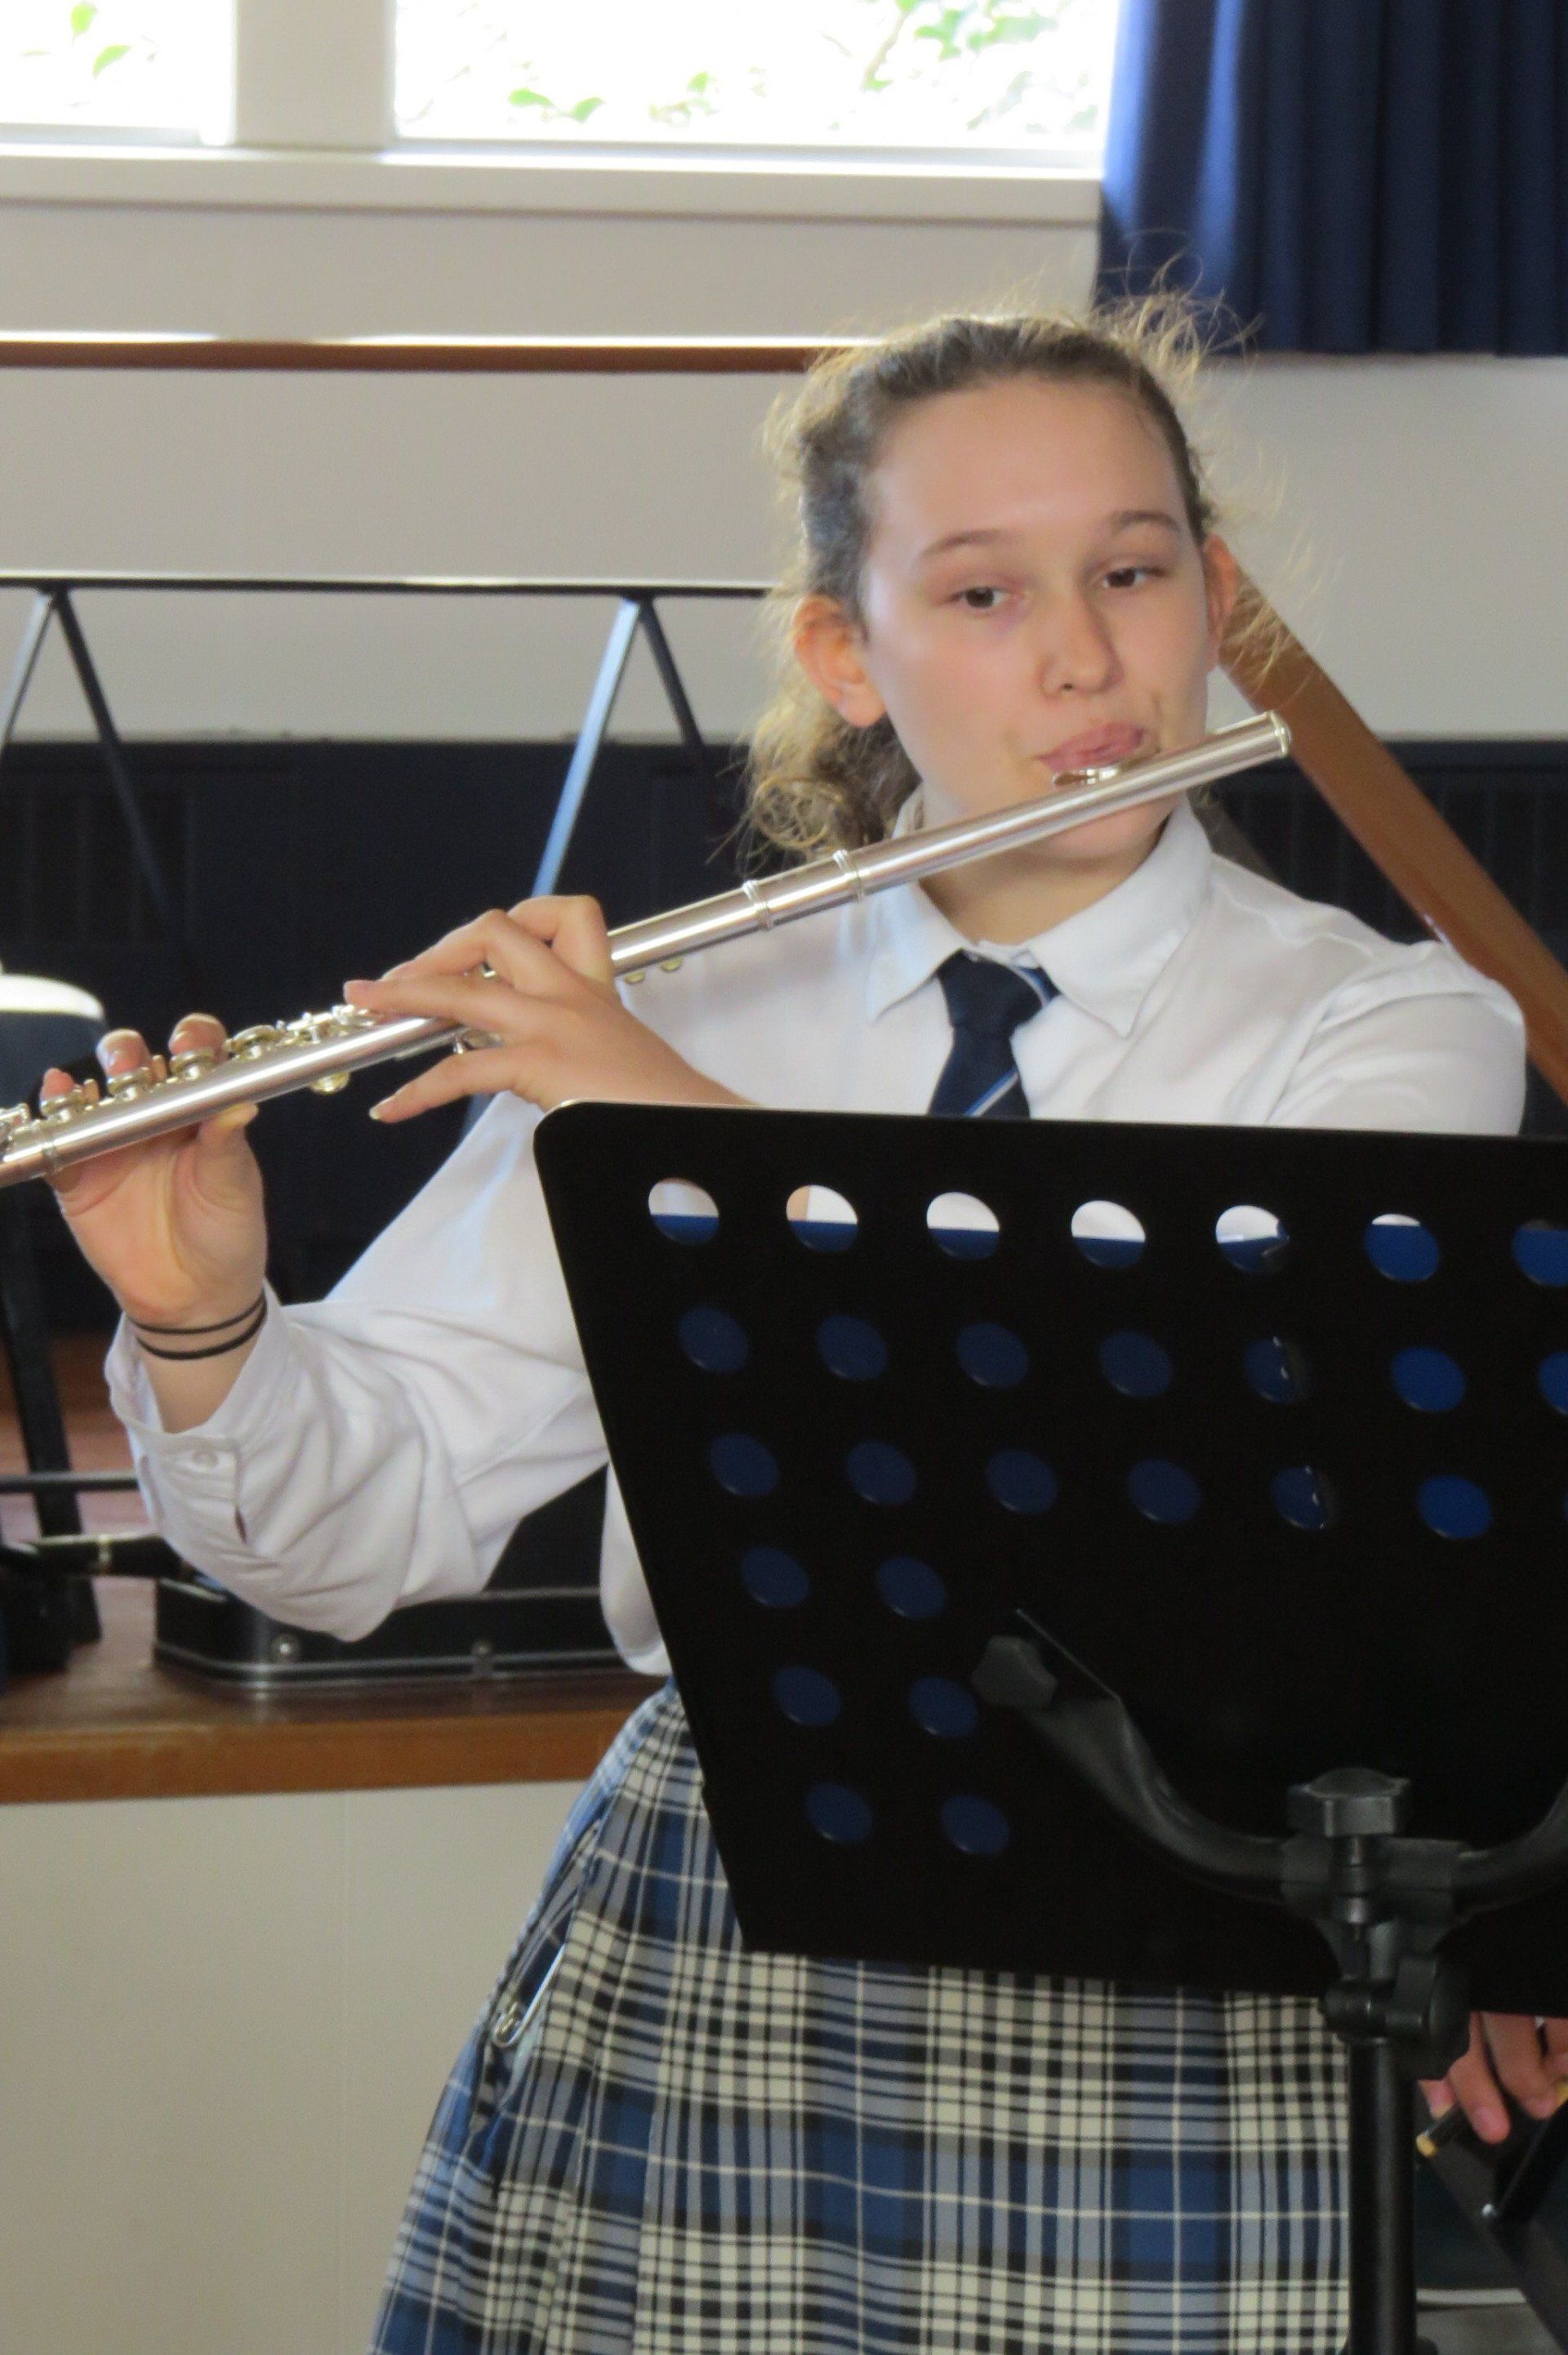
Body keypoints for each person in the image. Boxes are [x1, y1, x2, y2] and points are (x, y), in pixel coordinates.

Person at [47, 307, 1566, 2354]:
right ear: (846, 652)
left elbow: (1116, 1460)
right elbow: (344, 1543)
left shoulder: (1384, 1033)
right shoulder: (679, 1024)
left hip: (1181, 1934)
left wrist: (647, 1117)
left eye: (1136, 569)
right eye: (979, 589)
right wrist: (205, 1311)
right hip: (732, 1903)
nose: (1084, 658)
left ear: (1216, 591)